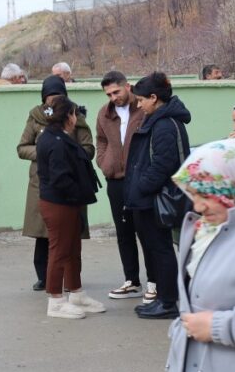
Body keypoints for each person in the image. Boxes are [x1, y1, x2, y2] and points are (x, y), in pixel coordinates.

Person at [165, 138, 235, 372]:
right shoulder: (205, 229)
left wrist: (219, 327)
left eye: (206, 195)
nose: (197, 207)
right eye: (192, 194)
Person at [18, 76, 94, 291]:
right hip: (41, 182)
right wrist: (46, 153)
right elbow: (22, 147)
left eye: (58, 96)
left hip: (71, 181)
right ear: (43, 98)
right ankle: (44, 277)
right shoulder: (35, 117)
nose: (53, 101)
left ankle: (71, 280)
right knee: (43, 233)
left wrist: (66, 153)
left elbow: (88, 149)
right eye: (50, 97)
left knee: (70, 234)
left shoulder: (75, 117)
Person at [125, 72, 191, 320]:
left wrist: (141, 187)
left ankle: (168, 302)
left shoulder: (164, 124)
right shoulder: (159, 120)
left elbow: (163, 164)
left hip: (154, 198)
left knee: (161, 250)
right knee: (157, 249)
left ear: (154, 98)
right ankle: (164, 299)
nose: (139, 105)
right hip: (149, 197)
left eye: (141, 100)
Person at [36, 95, 105, 319]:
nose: (77, 118)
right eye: (75, 113)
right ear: (69, 116)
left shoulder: (55, 136)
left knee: (72, 249)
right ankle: (55, 300)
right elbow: (60, 178)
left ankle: (76, 293)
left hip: (66, 202)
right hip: (59, 203)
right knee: (59, 251)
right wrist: (78, 193)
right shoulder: (55, 141)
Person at [95, 71, 149, 300]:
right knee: (123, 233)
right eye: (108, 94)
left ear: (127, 86)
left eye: (116, 92)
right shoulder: (104, 113)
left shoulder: (143, 107)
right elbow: (101, 140)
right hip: (115, 180)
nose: (113, 97)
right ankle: (132, 281)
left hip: (140, 180)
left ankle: (154, 282)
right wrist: (104, 162)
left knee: (146, 232)